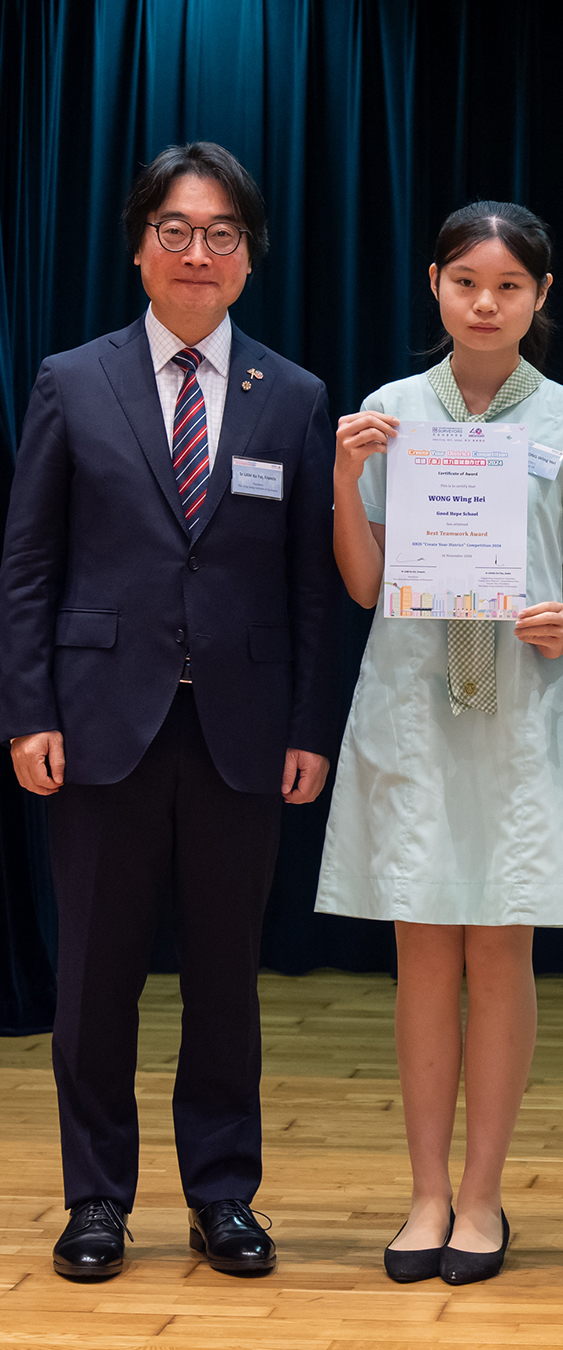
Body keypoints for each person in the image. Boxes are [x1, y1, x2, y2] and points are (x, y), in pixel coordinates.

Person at [0, 142, 335, 1280]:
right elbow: (29, 565)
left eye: (223, 234)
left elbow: (307, 583)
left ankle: (223, 1195)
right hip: (99, 722)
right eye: (178, 231)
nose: (200, 253)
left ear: (249, 257)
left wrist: (309, 725)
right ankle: (96, 1199)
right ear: (141, 247)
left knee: (225, 980)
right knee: (94, 977)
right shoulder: (72, 380)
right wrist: (27, 710)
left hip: (243, 731)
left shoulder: (294, 396)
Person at [315, 201, 563, 1286]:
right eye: (466, 283)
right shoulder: (390, 411)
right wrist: (345, 480)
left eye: (508, 287)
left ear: (541, 297)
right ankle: (425, 1194)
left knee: (500, 951)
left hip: (518, 708)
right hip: (411, 699)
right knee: (420, 953)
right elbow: (364, 583)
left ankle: (484, 1194)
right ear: (435, 287)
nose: (485, 303)